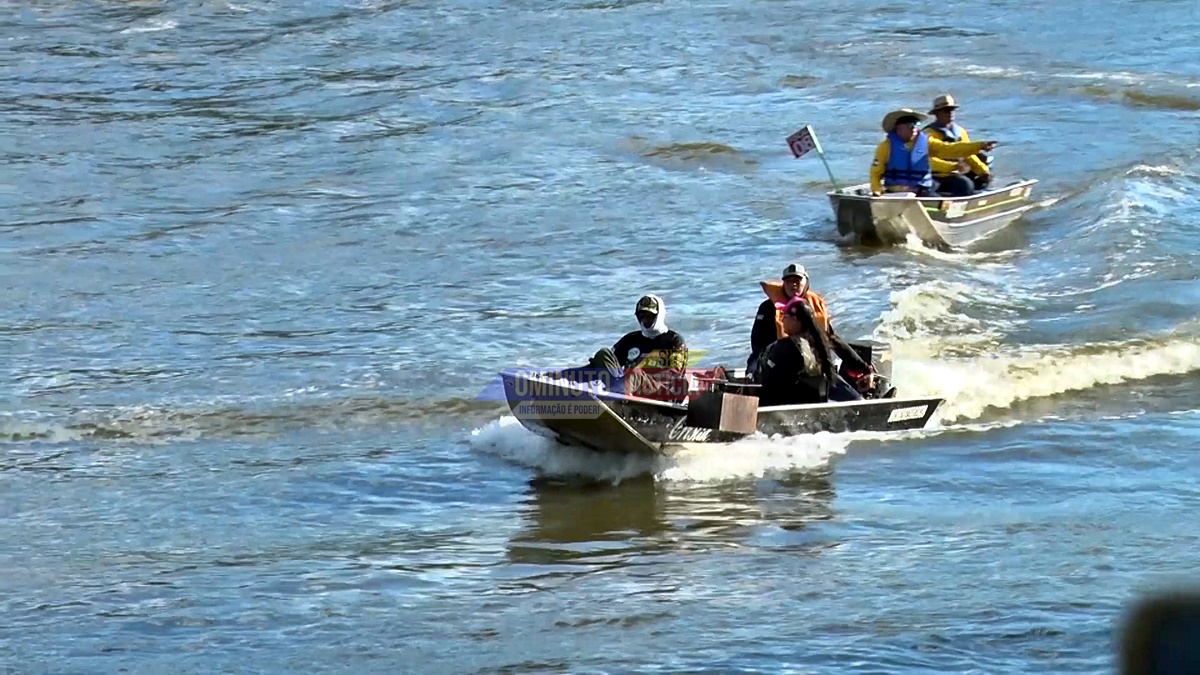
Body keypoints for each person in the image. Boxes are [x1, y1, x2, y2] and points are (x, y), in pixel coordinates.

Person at [747, 263, 874, 391]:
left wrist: (864, 367)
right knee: (755, 365)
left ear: (806, 283)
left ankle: (858, 395)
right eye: (789, 281)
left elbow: (832, 340)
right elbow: (757, 344)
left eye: (797, 281)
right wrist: (753, 372)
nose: (793, 284)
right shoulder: (767, 308)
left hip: (807, 360)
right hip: (775, 359)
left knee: (833, 378)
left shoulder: (812, 308)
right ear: (783, 284)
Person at [568, 294, 690, 401]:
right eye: (641, 316)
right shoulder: (631, 339)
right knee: (603, 355)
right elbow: (606, 364)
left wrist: (641, 377)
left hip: (659, 389)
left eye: (649, 316)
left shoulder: (674, 341)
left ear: (659, 315)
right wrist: (565, 375)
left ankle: (612, 398)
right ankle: (573, 386)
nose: (645, 320)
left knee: (634, 373)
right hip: (625, 386)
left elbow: (674, 375)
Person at [869, 107, 998, 197]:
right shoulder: (885, 147)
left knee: (941, 199)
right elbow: (875, 173)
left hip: (921, 189)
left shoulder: (926, 142)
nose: (914, 127)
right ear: (897, 128)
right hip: (894, 191)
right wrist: (877, 191)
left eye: (916, 123)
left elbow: (950, 149)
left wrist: (980, 145)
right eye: (909, 123)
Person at [756, 297, 839, 406]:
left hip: (786, 408)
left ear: (795, 320)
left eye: (784, 316)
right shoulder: (819, 343)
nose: (782, 320)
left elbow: (770, 383)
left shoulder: (786, 347)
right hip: (814, 404)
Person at [922, 94, 992, 194]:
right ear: (937, 113)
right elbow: (927, 160)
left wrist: (983, 171)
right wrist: (952, 166)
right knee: (965, 185)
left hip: (958, 171)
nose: (951, 113)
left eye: (952, 109)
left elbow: (968, 154)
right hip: (938, 175)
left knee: (981, 179)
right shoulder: (928, 134)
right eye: (947, 110)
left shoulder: (960, 131)